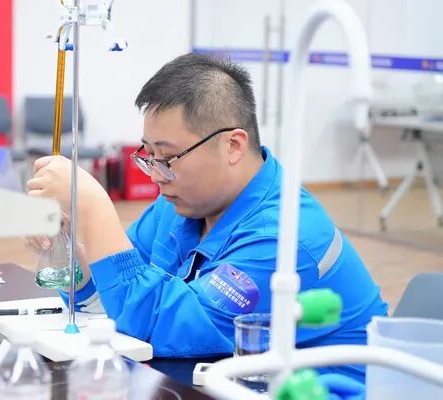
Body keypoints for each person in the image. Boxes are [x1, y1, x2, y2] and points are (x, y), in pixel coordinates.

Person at [26, 53, 388, 382]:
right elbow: (121, 295)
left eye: (168, 158)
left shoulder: (283, 238)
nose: (156, 175)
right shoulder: (182, 204)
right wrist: (73, 249)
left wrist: (95, 210)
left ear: (233, 145)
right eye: (149, 156)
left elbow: (161, 325)